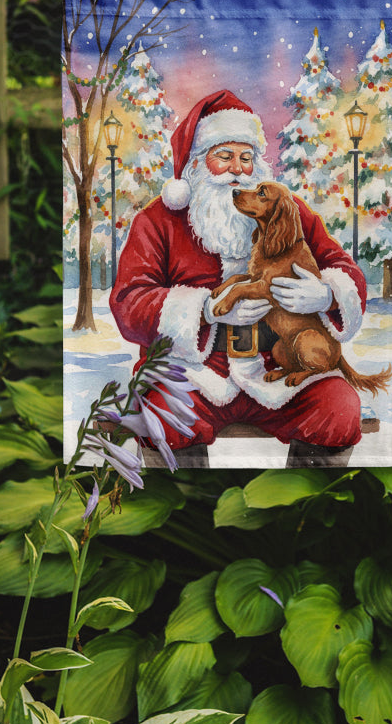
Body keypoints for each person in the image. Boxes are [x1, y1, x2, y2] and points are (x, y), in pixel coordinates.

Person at [110, 89, 367, 465]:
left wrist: (327, 295)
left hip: (276, 368)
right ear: (198, 163)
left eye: (246, 158)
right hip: (194, 372)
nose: (237, 169)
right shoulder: (159, 221)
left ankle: (306, 510)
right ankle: (184, 511)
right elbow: (129, 302)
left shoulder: (284, 210)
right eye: (224, 156)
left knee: (339, 407)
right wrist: (205, 311)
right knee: (162, 413)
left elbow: (345, 269)